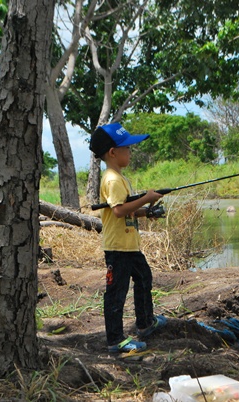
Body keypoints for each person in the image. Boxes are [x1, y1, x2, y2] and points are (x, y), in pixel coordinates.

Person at [89, 122, 168, 353]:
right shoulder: (112, 179)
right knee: (116, 293)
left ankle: (145, 323)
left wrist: (146, 211)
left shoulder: (120, 178)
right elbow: (118, 211)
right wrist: (146, 198)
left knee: (144, 278)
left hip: (130, 246)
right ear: (113, 152)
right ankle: (116, 340)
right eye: (127, 148)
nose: (130, 152)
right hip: (118, 249)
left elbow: (127, 209)